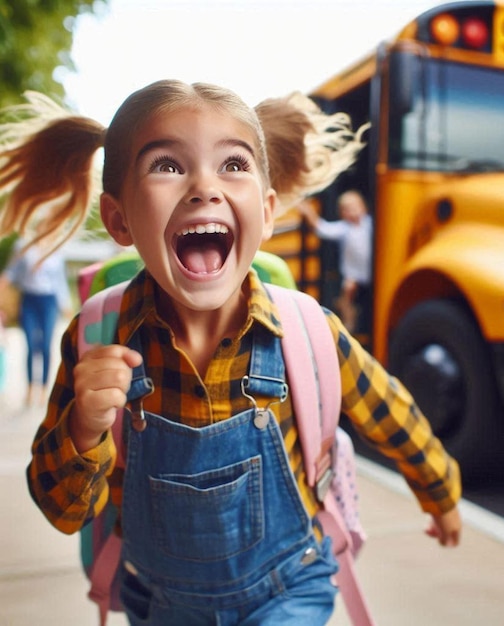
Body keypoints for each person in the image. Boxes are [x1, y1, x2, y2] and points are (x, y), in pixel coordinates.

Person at [0, 80, 462, 625]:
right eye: (167, 166)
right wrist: (83, 428)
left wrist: (440, 490)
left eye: (233, 165)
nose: (203, 187)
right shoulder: (97, 338)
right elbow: (62, 509)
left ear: (266, 212)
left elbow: (392, 414)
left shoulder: (308, 332)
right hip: (160, 602)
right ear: (120, 218)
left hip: (290, 587)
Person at [0, 224, 71, 406]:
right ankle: (31, 388)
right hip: (29, 300)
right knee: (31, 345)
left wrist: (66, 305)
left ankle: (44, 388)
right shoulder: (23, 246)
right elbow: (11, 271)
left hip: (49, 301)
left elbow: (60, 281)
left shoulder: (56, 249)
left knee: (47, 345)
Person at [298, 190, 372, 334]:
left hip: (370, 272)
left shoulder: (369, 225)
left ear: (363, 207)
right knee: (348, 293)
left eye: (353, 207)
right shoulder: (345, 228)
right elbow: (322, 228)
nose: (350, 212)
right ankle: (348, 323)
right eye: (345, 209)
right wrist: (308, 211)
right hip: (353, 276)